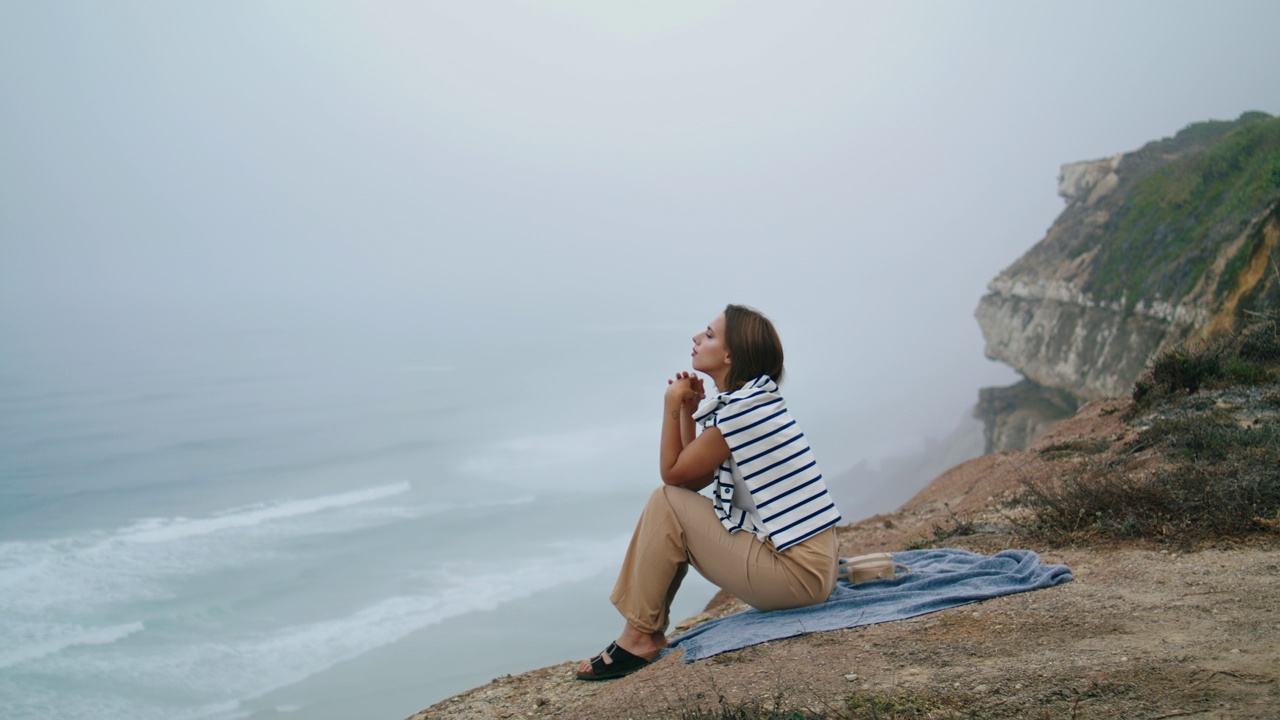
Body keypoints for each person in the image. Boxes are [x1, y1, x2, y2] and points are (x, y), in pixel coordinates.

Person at [576, 304, 843, 681]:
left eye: (710, 334)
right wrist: (690, 411)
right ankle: (643, 632)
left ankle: (638, 637)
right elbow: (690, 480)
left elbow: (672, 477)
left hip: (797, 578)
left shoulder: (741, 412)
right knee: (671, 502)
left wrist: (670, 405)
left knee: (663, 500)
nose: (697, 339)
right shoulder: (752, 402)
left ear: (730, 354)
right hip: (812, 571)